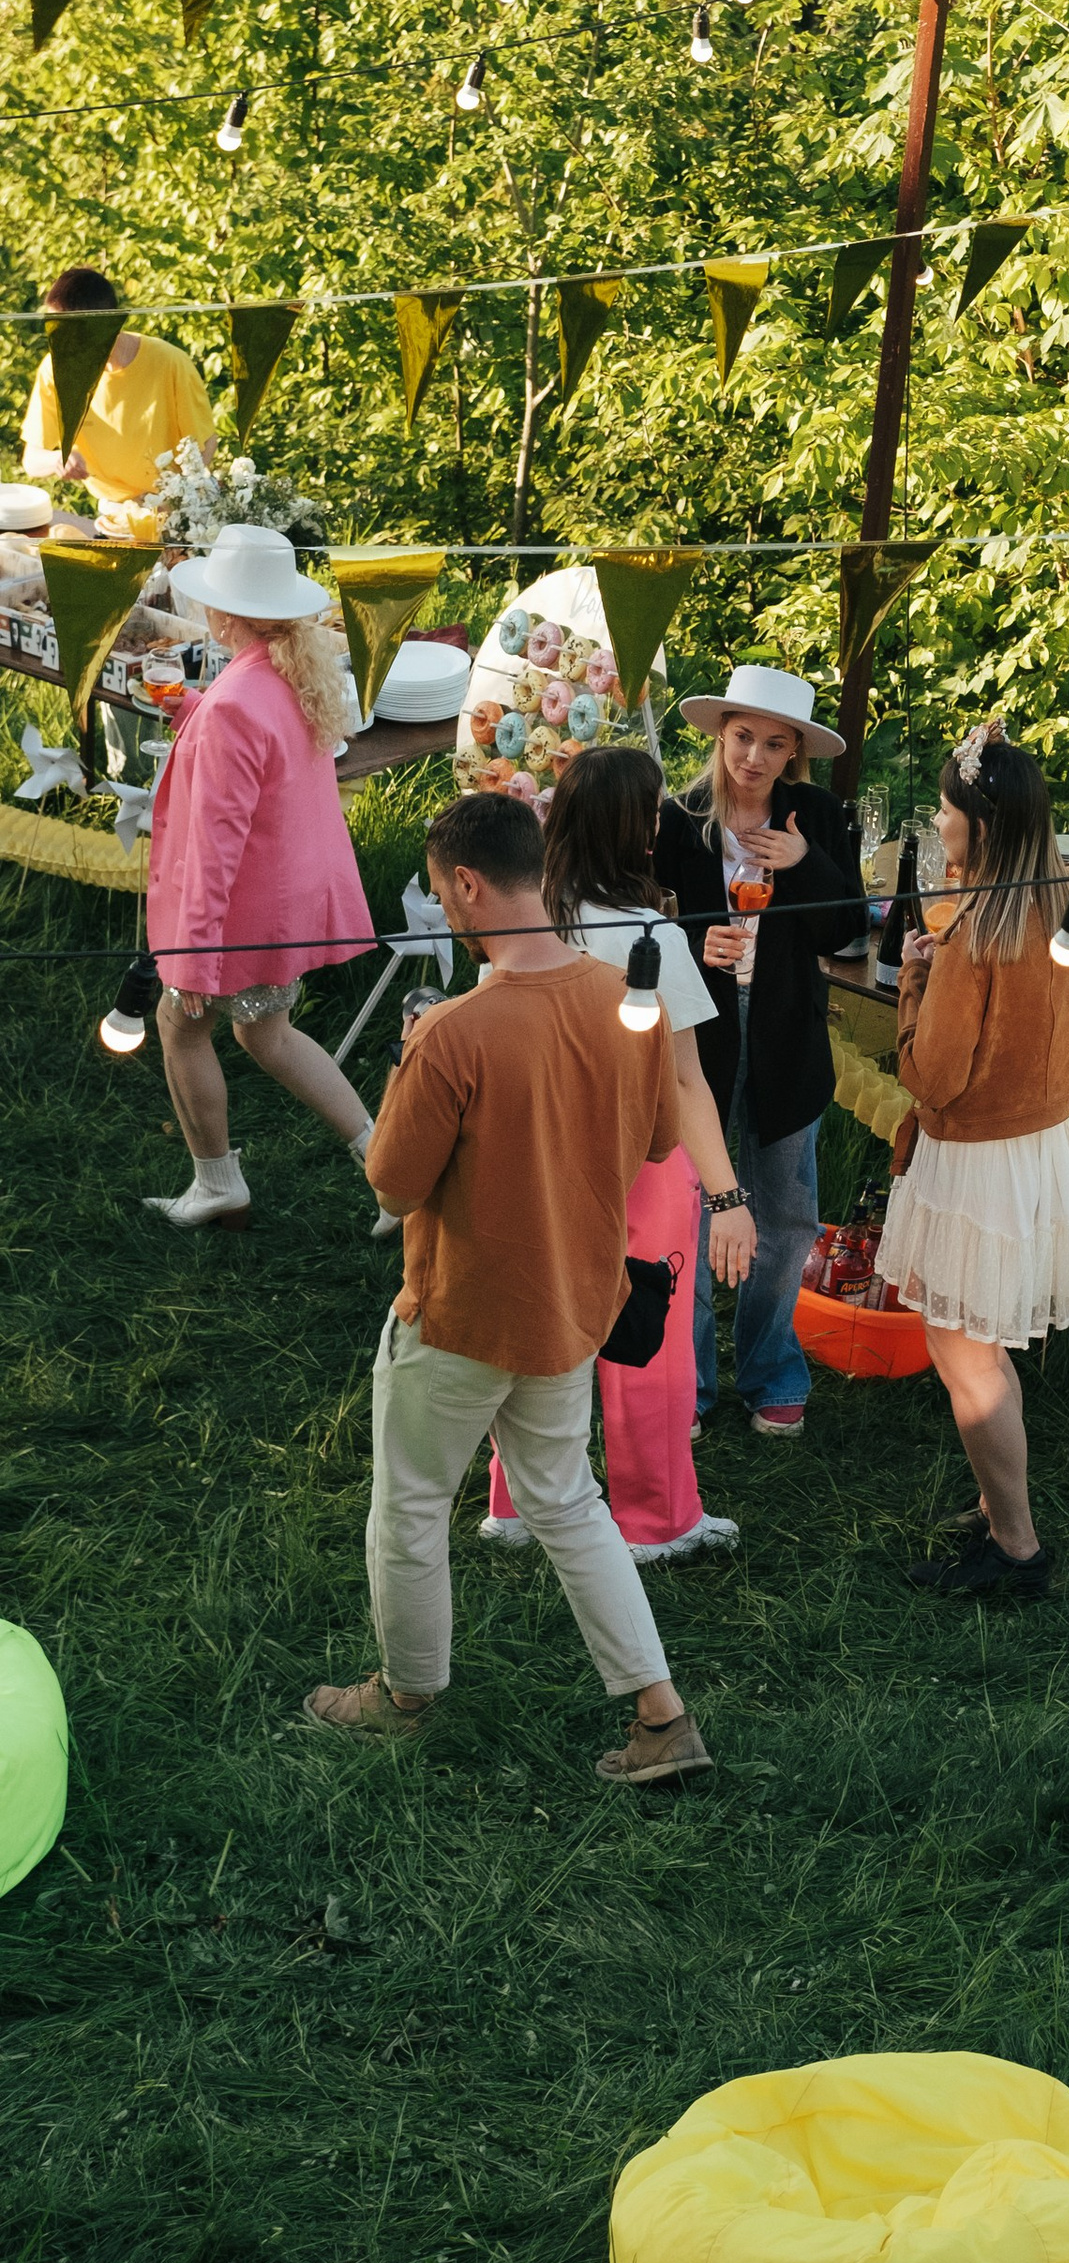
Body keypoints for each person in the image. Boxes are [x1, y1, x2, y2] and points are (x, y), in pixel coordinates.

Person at [305, 791, 712, 1785]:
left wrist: (409, 1071)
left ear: (471, 884)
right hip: (571, 1308)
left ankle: (404, 1697)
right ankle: (662, 1717)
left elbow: (394, 1184)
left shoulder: (451, 1033)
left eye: (445, 893)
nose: (446, 910)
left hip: (460, 1313)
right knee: (569, 1502)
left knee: (408, 1505)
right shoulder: (628, 1001)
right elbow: (660, 1138)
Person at [480, 748, 757, 1565]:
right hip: (639, 1162)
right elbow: (687, 1083)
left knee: (538, 1325)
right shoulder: (651, 938)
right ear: (638, 834)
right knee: (647, 1339)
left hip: (537, 1155)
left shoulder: (524, 924)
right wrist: (727, 1197)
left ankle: (517, 1503)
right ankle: (654, 1518)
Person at [879, 716, 1069, 1602]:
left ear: (978, 826)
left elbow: (934, 1077)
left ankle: (1017, 1550)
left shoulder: (974, 929)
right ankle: (999, 1507)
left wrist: (915, 980)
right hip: (1046, 1144)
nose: (938, 822)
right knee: (984, 1349)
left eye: (945, 810)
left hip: (977, 1159)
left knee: (966, 1358)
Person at [143, 517, 379, 1229]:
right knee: (265, 1033)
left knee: (179, 1024)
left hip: (244, 907)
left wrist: (191, 955)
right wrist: (192, 707)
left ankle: (218, 1183)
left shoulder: (238, 704)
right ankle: (388, 1167)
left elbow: (217, 845)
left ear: (224, 613)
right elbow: (256, 754)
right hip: (287, 896)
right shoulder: (285, 673)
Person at [652, 665, 864, 1439]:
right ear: (721, 735)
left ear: (794, 753)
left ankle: (772, 1368)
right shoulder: (681, 816)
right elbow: (646, 923)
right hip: (698, 1036)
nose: (755, 757)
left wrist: (802, 864)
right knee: (698, 1211)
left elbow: (845, 930)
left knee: (786, 1215)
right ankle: (691, 1381)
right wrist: (689, 938)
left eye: (775, 744)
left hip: (785, 1033)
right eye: (744, 737)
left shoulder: (815, 815)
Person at [21, 266, 215, 532]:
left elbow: (205, 446)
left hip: (178, 510)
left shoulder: (170, 362)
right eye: (56, 329)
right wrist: (57, 460)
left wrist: (168, 499)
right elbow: (31, 459)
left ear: (109, 324)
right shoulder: (55, 369)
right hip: (114, 513)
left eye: (72, 331)